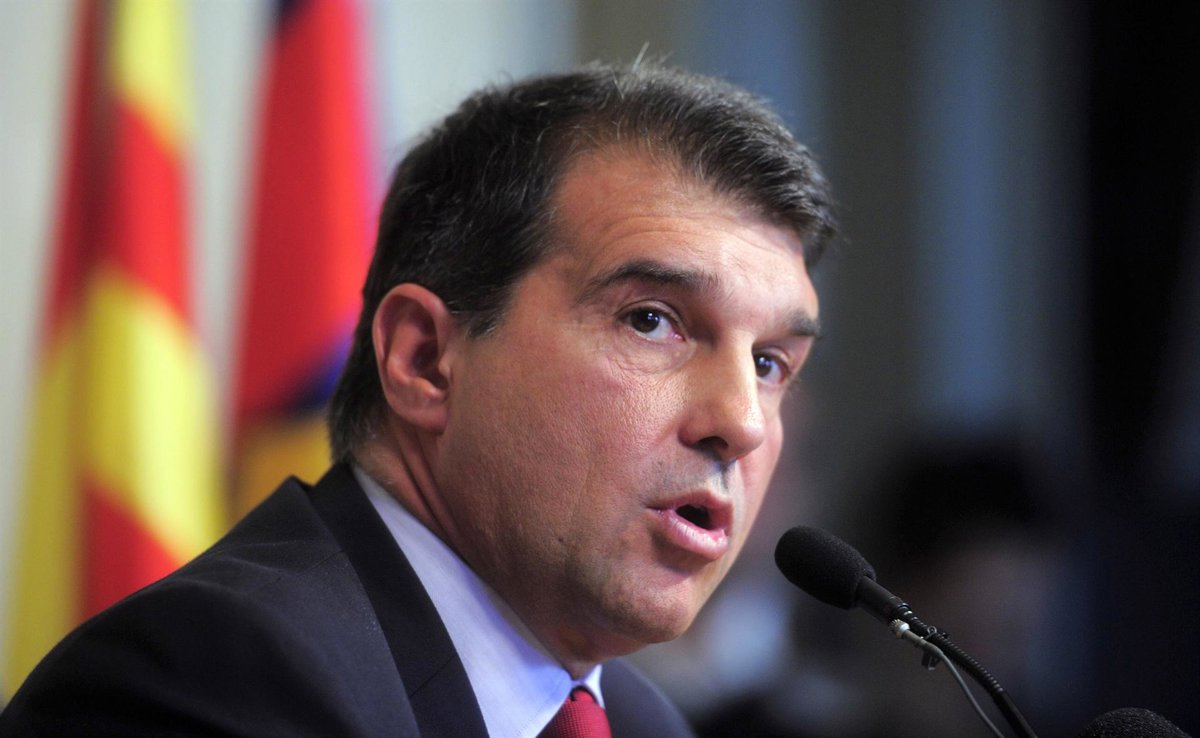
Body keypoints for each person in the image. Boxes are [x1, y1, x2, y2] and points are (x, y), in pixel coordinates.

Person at [0, 63, 835, 736]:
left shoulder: (645, 724)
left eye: (770, 363)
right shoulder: (212, 676)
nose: (741, 422)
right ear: (425, 360)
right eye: (651, 321)